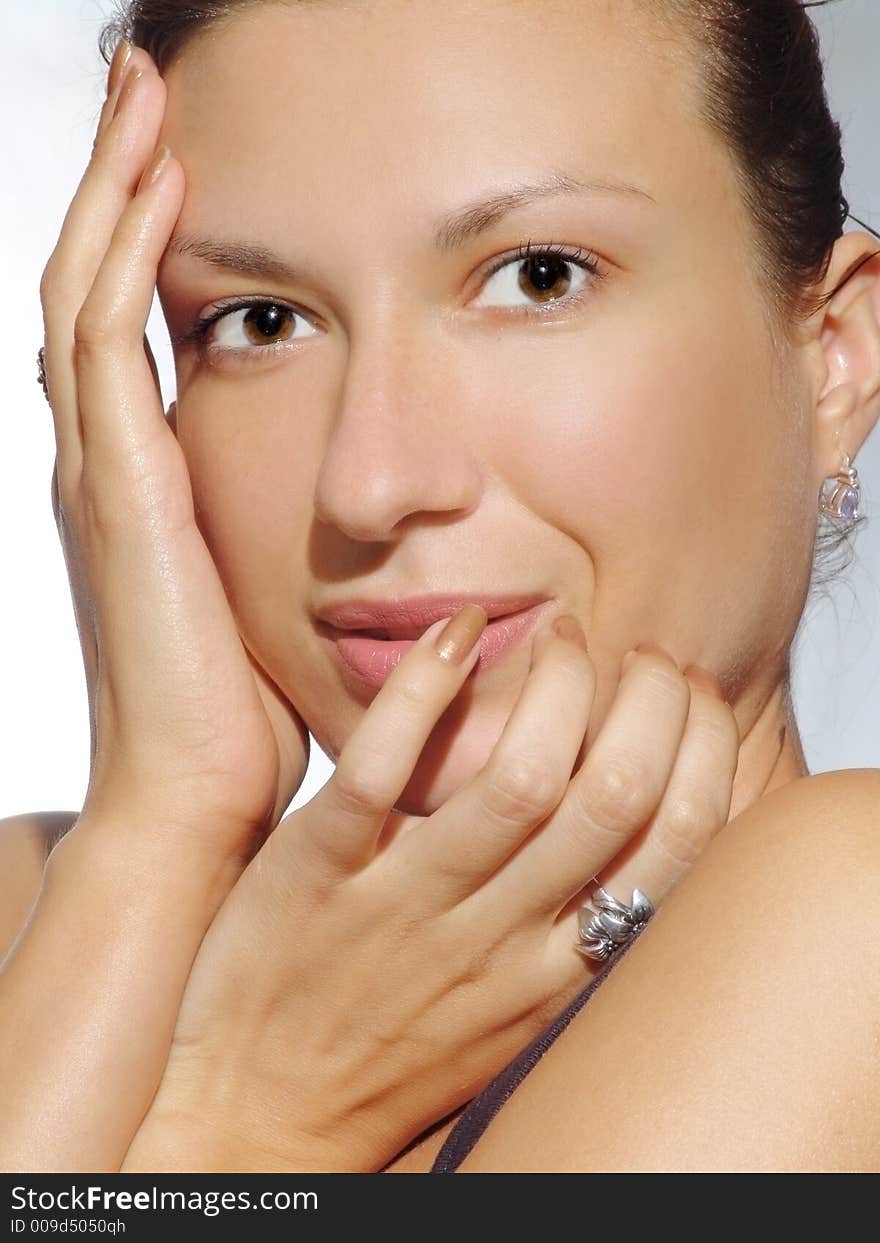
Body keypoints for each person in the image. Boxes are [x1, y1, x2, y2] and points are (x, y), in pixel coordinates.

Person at [2, 0, 878, 1172]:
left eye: (537, 276)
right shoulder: (41, 903)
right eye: (260, 320)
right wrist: (161, 825)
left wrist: (256, 1120)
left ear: (832, 356)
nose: (371, 483)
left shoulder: (849, 922)